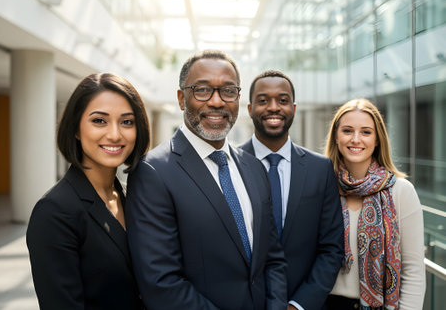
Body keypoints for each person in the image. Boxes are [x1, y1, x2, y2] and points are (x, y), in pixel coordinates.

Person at [125, 50, 287, 310]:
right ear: (181, 98)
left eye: (228, 91)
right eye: (202, 90)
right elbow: (161, 282)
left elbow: (272, 258)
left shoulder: (254, 167)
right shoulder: (152, 172)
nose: (216, 102)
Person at [26, 73, 150, 310]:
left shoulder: (131, 196)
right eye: (99, 121)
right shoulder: (54, 212)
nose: (115, 134)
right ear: (75, 128)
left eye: (126, 122)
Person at [239, 70, 344, 310]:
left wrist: (299, 304)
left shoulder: (321, 169)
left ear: (293, 108)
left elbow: (331, 248)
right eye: (263, 100)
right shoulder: (230, 165)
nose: (273, 107)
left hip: (303, 302)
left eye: (282, 100)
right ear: (249, 109)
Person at [324, 98, 425, 309]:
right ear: (336, 136)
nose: (356, 139)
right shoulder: (322, 186)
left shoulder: (401, 191)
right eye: (348, 131)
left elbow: (413, 269)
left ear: (378, 139)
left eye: (366, 132)